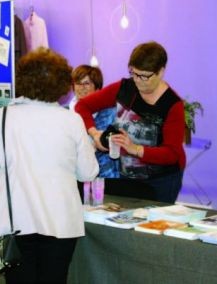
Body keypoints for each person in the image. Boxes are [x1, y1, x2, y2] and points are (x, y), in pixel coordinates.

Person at [0, 47, 99, 284]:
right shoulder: (71, 120)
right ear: (62, 83)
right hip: (61, 224)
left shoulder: (2, 118)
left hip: (15, 223)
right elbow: (88, 172)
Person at [75, 41, 185, 203]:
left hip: (161, 180)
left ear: (161, 72)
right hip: (127, 176)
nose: (138, 80)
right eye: (134, 73)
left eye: (144, 76)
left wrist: (135, 149)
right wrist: (95, 133)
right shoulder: (124, 88)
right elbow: (83, 106)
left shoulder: (172, 105)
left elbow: (173, 154)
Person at [70, 65, 119, 201]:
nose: (81, 87)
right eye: (77, 83)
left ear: (97, 87)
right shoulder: (65, 113)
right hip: (74, 177)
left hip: (105, 177)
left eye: (86, 83)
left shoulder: (111, 113)